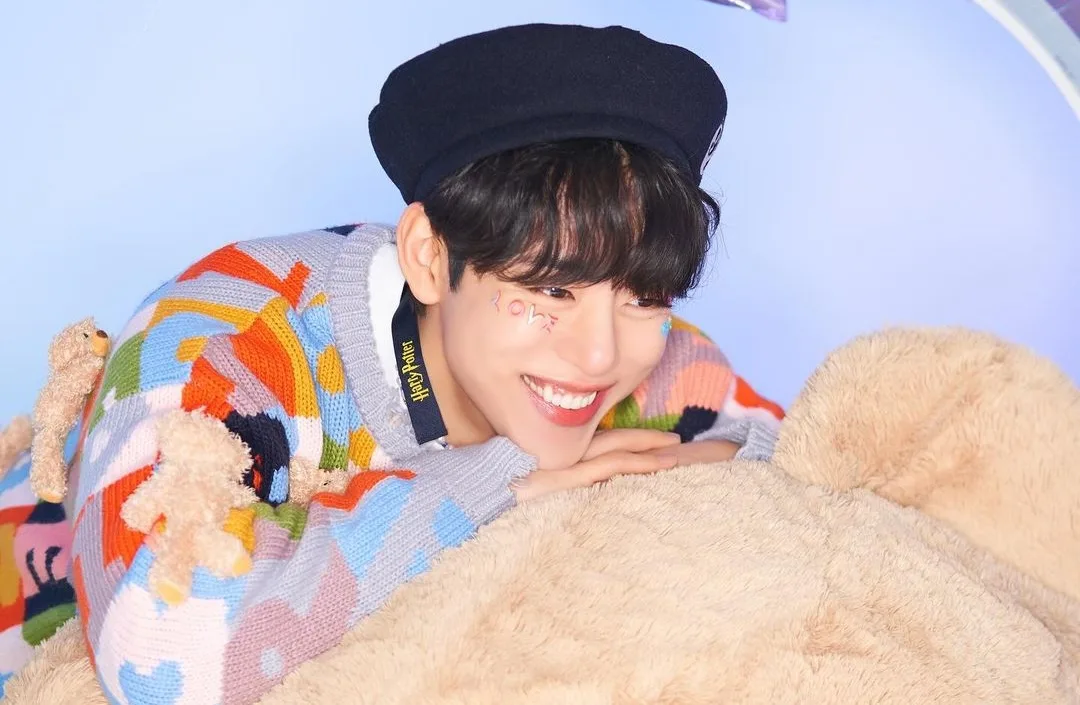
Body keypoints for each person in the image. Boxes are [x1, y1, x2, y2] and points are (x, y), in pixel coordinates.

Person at [3, 22, 784, 705]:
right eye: (552, 290)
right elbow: (162, 654)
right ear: (429, 257)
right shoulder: (224, 343)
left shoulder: (643, 355)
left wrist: (666, 472)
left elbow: (803, 464)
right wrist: (500, 486)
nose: (600, 353)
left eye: (644, 294)